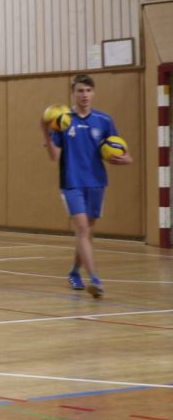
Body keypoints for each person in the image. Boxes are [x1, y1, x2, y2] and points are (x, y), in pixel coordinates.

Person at [42, 73, 133, 297]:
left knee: (87, 233)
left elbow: (120, 148)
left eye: (88, 91)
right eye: (80, 91)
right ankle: (95, 280)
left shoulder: (104, 120)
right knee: (82, 230)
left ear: (94, 93)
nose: (85, 95)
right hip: (72, 182)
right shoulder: (63, 121)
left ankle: (75, 272)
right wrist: (45, 130)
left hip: (96, 182)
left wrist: (127, 159)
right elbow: (54, 156)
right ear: (73, 93)